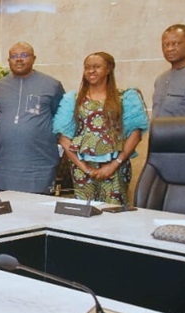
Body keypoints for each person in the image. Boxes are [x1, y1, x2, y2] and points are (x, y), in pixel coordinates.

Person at [53, 52, 148, 205]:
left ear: (109, 69)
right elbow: (64, 138)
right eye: (87, 68)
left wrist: (114, 164)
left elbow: (135, 135)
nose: (91, 71)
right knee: (83, 215)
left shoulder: (126, 97)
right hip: (81, 169)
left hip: (115, 169)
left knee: (113, 214)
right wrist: (85, 168)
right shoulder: (73, 99)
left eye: (96, 67)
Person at [0, 42, 65, 194]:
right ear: (8, 60)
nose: (19, 59)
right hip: (4, 167)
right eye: (14, 56)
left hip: (39, 167)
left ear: (34, 58)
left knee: (37, 214)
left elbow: (61, 122)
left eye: (24, 55)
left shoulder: (52, 85)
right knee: (4, 214)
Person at [153, 24, 185, 117]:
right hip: (160, 131)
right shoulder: (160, 80)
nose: (169, 49)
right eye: (165, 45)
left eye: (176, 43)